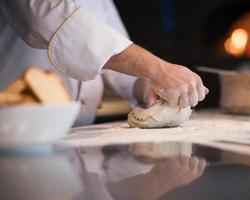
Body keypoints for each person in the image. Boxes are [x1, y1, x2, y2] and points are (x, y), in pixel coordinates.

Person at [0, 0, 208, 126]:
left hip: (79, 135)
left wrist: (146, 86)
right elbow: (49, 18)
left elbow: (115, 51)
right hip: (14, 131)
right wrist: (157, 69)